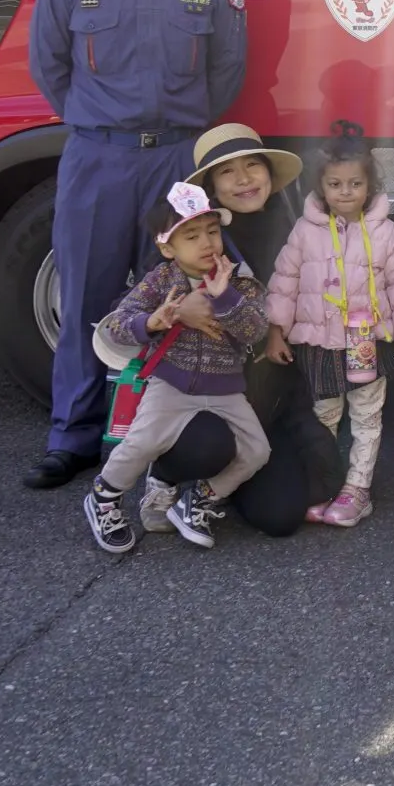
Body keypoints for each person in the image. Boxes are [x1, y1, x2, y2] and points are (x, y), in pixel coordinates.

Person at [25, 0, 248, 490]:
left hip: (178, 164)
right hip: (97, 159)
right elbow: (51, 72)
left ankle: (157, 441)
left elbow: (227, 72)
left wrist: (173, 133)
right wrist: (104, 124)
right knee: (89, 300)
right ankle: (72, 436)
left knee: (177, 302)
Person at [139, 124, 343, 538]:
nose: (245, 179)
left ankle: (213, 488)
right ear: (210, 187)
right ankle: (165, 471)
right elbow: (125, 317)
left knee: (281, 515)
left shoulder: (300, 228)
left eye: (254, 165)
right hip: (204, 396)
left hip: (274, 397)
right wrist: (176, 313)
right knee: (209, 446)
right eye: (227, 172)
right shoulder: (190, 238)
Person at [82, 183, 270, 554]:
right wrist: (153, 321)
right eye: (191, 235)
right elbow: (120, 321)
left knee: (257, 451)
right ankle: (103, 498)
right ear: (167, 246)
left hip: (227, 389)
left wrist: (225, 296)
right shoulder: (162, 279)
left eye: (213, 232)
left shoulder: (241, 283)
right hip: (170, 383)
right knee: (143, 441)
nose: (207, 243)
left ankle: (198, 499)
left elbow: (256, 330)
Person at [263, 122, 394, 527]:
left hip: (366, 344)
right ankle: (326, 484)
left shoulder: (387, 233)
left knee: (367, 416)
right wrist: (275, 331)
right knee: (323, 417)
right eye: (335, 184)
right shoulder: (305, 232)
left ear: (370, 186)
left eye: (355, 183)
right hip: (319, 345)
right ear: (321, 187)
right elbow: (283, 284)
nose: (345, 192)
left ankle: (358, 487)